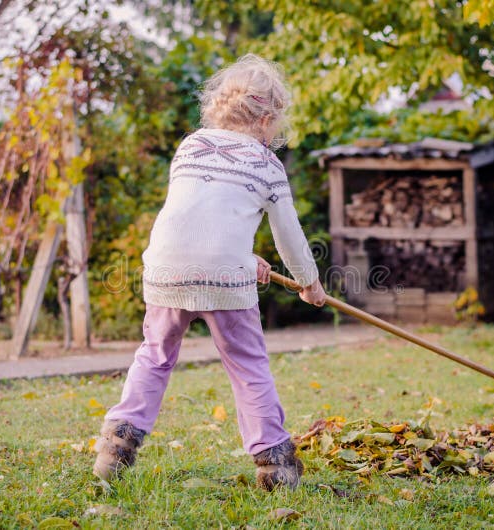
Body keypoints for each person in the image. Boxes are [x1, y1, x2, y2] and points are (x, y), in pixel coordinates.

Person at [92, 53, 326, 490]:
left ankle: (116, 445)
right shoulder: (267, 164)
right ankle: (275, 466)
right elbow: (289, 237)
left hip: (165, 271)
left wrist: (245, 256)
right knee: (248, 365)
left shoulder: (191, 145)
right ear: (268, 118)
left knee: (154, 355)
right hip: (223, 280)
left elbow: (199, 217)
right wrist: (309, 284)